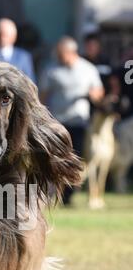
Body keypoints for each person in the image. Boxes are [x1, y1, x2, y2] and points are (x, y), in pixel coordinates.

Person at [40, 36, 104, 205]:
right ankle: (52, 193)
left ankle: (68, 196)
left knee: (75, 160)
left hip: (79, 123)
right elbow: (43, 96)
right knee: (54, 160)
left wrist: (94, 95)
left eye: (61, 54)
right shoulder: (51, 69)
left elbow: (99, 92)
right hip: (57, 124)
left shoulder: (88, 69)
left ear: (71, 52)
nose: (59, 57)